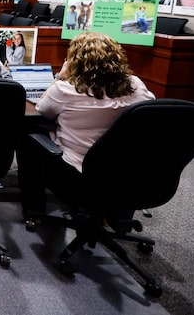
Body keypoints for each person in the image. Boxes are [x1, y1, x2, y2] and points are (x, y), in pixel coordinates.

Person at [17, 32, 155, 218]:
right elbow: (149, 108)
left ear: (75, 61)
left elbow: (43, 109)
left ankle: (35, 208)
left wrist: (60, 77)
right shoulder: (136, 85)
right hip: (124, 173)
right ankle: (111, 217)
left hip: (77, 177)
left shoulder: (66, 89)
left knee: (27, 134)